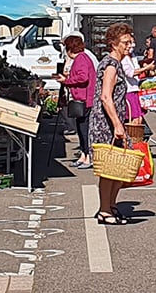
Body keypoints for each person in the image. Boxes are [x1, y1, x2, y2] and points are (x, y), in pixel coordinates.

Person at [91, 24, 140, 225]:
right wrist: (117, 125)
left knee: (117, 167)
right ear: (113, 43)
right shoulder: (110, 64)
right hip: (106, 123)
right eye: (125, 42)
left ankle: (111, 205)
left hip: (113, 120)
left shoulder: (117, 63)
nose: (130, 45)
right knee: (109, 168)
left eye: (131, 41)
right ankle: (104, 210)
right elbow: (105, 97)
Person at [57, 34, 97, 171]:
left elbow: (83, 77)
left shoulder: (81, 59)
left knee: (84, 129)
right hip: (83, 97)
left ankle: (89, 156)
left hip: (84, 99)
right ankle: (84, 155)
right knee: (81, 129)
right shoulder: (83, 58)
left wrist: (66, 81)